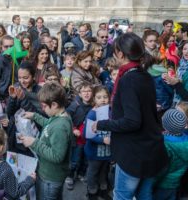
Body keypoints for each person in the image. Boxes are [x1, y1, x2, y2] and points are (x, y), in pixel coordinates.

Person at [92, 33, 169, 199]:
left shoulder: (129, 79)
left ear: (120, 54)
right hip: (151, 149)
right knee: (144, 195)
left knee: (122, 195)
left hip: (135, 154)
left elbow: (132, 121)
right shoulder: (144, 75)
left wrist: (101, 124)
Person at [19, 83, 73, 200]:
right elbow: (49, 124)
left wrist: (35, 143)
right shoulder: (59, 117)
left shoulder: (60, 127)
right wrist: (35, 116)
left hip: (50, 178)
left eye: (43, 106)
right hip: (49, 175)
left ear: (54, 104)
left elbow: (57, 156)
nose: (42, 108)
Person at [0, 128, 35, 199]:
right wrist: (30, 180)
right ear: (2, 148)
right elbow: (15, 193)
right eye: (6, 142)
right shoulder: (5, 170)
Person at [6, 61, 43, 155]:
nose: (22, 81)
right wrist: (12, 98)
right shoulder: (16, 87)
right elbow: (9, 113)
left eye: (26, 78)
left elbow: (40, 115)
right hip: (16, 134)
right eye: (19, 78)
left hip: (34, 134)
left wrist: (23, 99)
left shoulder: (40, 92)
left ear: (33, 76)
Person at [153, 109, 188, 200]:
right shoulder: (186, 141)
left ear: (165, 125)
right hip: (175, 183)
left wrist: (152, 182)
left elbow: (161, 169)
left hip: (161, 185)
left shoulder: (165, 144)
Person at [84, 86, 112, 200]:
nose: (103, 100)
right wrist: (102, 140)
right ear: (94, 99)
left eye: (105, 97)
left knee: (104, 171)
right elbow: (88, 135)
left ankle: (103, 189)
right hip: (94, 153)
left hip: (107, 152)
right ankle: (92, 191)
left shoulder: (111, 112)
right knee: (93, 172)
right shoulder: (92, 114)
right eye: (99, 97)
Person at [65, 82, 93, 190]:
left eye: (89, 91)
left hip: (89, 139)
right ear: (80, 94)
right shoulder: (75, 104)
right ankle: (70, 176)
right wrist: (73, 129)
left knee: (86, 159)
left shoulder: (94, 105)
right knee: (75, 159)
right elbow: (67, 117)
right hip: (78, 139)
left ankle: (81, 173)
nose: (86, 93)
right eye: (84, 91)